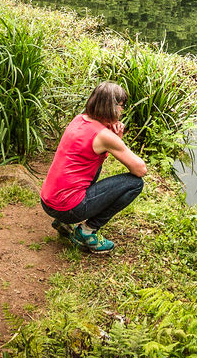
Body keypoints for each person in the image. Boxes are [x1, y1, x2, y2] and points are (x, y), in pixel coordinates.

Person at [41, 81, 148, 254]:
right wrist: (117, 140)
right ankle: (87, 231)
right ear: (111, 107)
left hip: (48, 200)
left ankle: (62, 221)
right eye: (121, 106)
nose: (122, 111)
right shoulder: (104, 136)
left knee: (89, 164)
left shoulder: (79, 119)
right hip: (67, 207)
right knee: (135, 183)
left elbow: (92, 152)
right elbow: (140, 169)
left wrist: (114, 137)